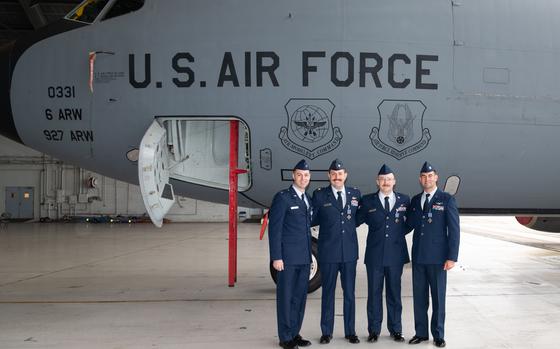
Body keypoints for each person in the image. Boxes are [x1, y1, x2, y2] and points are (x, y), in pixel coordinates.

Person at [356, 164, 411, 343]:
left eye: (389, 179)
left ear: (394, 181)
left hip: (396, 255)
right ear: (377, 182)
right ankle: (374, 330)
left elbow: (409, 223)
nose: (386, 182)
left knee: (395, 294)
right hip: (374, 256)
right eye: (382, 179)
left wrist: (396, 235)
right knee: (374, 294)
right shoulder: (368, 201)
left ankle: (396, 329)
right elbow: (355, 221)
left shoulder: (404, 200)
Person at [407, 162, 460, 348]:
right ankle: (420, 333)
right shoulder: (415, 200)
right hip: (419, 257)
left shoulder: (446, 199)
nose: (427, 179)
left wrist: (452, 256)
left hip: (438, 259)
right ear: (420, 179)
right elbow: (408, 225)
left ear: (436, 177)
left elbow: (454, 230)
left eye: (430, 176)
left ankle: (438, 334)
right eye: (423, 176)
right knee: (419, 298)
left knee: (438, 298)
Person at [311, 159, 361, 344]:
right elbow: (312, 218)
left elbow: (358, 217)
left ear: (345, 175)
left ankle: (350, 331)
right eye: (333, 174)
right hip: (328, 252)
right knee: (328, 293)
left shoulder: (355, 194)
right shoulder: (320, 195)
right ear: (329, 176)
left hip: (349, 253)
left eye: (340, 174)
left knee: (349, 293)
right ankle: (326, 331)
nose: (337, 177)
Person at [268, 159, 313, 349]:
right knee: (286, 298)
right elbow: (275, 229)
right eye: (299, 175)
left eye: (306, 175)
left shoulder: (307, 198)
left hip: (304, 258)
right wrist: (276, 257)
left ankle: (295, 333)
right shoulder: (283, 198)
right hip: (287, 259)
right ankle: (285, 337)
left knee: (299, 298)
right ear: (293, 176)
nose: (303, 178)